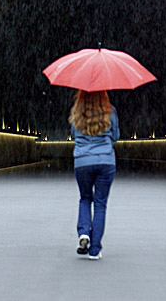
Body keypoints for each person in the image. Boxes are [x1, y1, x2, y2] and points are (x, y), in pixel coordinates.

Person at [69, 89, 120, 260]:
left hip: (83, 161)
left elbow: (74, 134)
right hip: (105, 160)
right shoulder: (110, 111)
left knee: (85, 198)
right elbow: (115, 136)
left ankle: (84, 233)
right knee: (100, 204)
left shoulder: (77, 112)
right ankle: (95, 249)